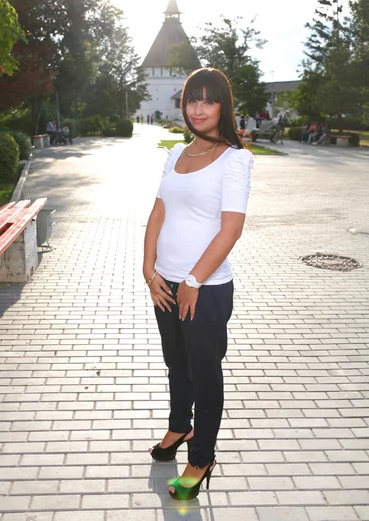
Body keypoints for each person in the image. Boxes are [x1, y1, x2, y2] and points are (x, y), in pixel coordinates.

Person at [143, 67, 254, 501]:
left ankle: (201, 455)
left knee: (205, 373)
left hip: (204, 290)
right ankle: (179, 426)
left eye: (208, 100)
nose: (199, 108)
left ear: (223, 106)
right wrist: (149, 271)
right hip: (165, 284)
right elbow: (157, 213)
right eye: (192, 99)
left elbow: (231, 230)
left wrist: (193, 279)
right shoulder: (175, 154)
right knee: (176, 363)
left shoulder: (235, 159)